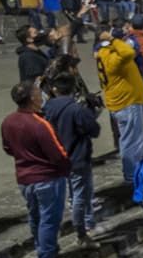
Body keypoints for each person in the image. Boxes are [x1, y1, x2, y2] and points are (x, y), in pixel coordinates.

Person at [1, 83, 72, 258]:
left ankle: (44, 250)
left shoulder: (8, 121)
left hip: (25, 179)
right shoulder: (40, 124)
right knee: (49, 219)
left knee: (35, 218)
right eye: (38, 94)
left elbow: (8, 148)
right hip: (47, 178)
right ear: (32, 99)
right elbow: (58, 154)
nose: (41, 96)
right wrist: (66, 168)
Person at [42, 75, 103, 246]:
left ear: (55, 89)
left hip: (57, 157)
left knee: (78, 193)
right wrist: (92, 111)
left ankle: (89, 224)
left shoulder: (48, 107)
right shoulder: (76, 109)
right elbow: (94, 130)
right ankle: (82, 233)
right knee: (80, 196)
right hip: (77, 158)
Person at [96, 29, 143, 183]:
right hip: (127, 104)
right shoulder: (114, 59)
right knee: (135, 142)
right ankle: (134, 176)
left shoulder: (103, 54)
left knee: (126, 141)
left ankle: (131, 174)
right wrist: (113, 39)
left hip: (119, 103)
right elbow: (128, 52)